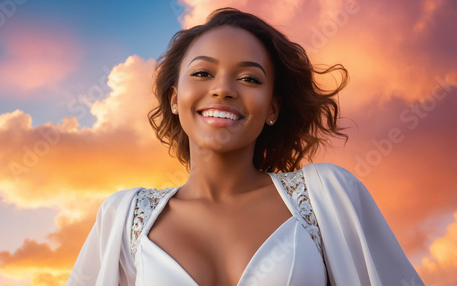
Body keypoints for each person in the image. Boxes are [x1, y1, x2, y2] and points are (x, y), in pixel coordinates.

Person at [67, 7, 424, 286]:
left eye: (249, 78)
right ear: (175, 99)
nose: (223, 89)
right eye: (203, 73)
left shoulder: (327, 196)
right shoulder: (124, 217)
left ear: (273, 107)